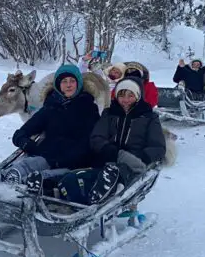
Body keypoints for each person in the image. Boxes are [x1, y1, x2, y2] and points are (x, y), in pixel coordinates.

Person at [0, 63, 99, 191]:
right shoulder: (51, 107)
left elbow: (90, 143)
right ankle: (1, 178)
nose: (68, 85)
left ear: (78, 84)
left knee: (39, 178)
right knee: (26, 164)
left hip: (72, 165)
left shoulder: (89, 110)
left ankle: (16, 184)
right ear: (58, 84)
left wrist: (64, 159)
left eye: (72, 81)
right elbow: (21, 133)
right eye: (64, 81)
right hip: (46, 157)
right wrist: (26, 143)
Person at [57, 76, 167, 205]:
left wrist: (139, 157)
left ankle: (105, 194)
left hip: (133, 163)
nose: (125, 100)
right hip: (106, 159)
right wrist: (110, 150)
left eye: (130, 95)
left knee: (116, 174)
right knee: (76, 177)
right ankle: (73, 199)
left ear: (137, 96)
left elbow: (157, 147)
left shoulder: (149, 117)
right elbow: (97, 137)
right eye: (121, 95)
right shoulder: (109, 113)